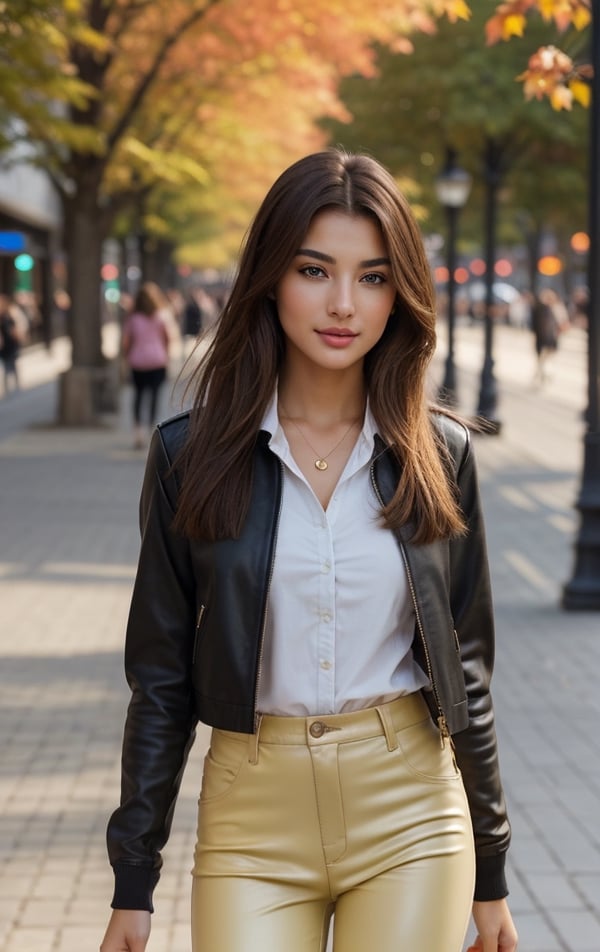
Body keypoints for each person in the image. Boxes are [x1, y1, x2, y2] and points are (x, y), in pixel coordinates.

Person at [100, 150, 518, 952]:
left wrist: (491, 868)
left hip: (409, 812)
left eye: (371, 277)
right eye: (314, 269)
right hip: (252, 813)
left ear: (400, 294)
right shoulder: (193, 456)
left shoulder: (440, 453)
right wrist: (133, 877)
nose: (341, 303)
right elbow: (158, 678)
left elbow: (467, 667)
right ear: (270, 277)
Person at [122, 282, 170, 448]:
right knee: (155, 396)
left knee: (138, 396)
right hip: (157, 361)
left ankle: (138, 432)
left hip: (138, 362)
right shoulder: (160, 316)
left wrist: (126, 357)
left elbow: (127, 342)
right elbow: (167, 338)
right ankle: (152, 430)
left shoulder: (133, 319)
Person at [531, 288, 568, 385]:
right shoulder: (540, 308)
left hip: (551, 337)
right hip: (542, 338)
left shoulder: (557, 308)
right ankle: (542, 373)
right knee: (542, 358)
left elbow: (563, 323)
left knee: (547, 357)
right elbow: (534, 324)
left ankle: (542, 373)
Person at [0, 293, 23, 395]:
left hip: (11, 343)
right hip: (4, 345)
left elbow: (14, 328)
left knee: (12, 364)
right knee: (6, 366)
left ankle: (16, 385)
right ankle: (8, 388)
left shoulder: (9, 315)